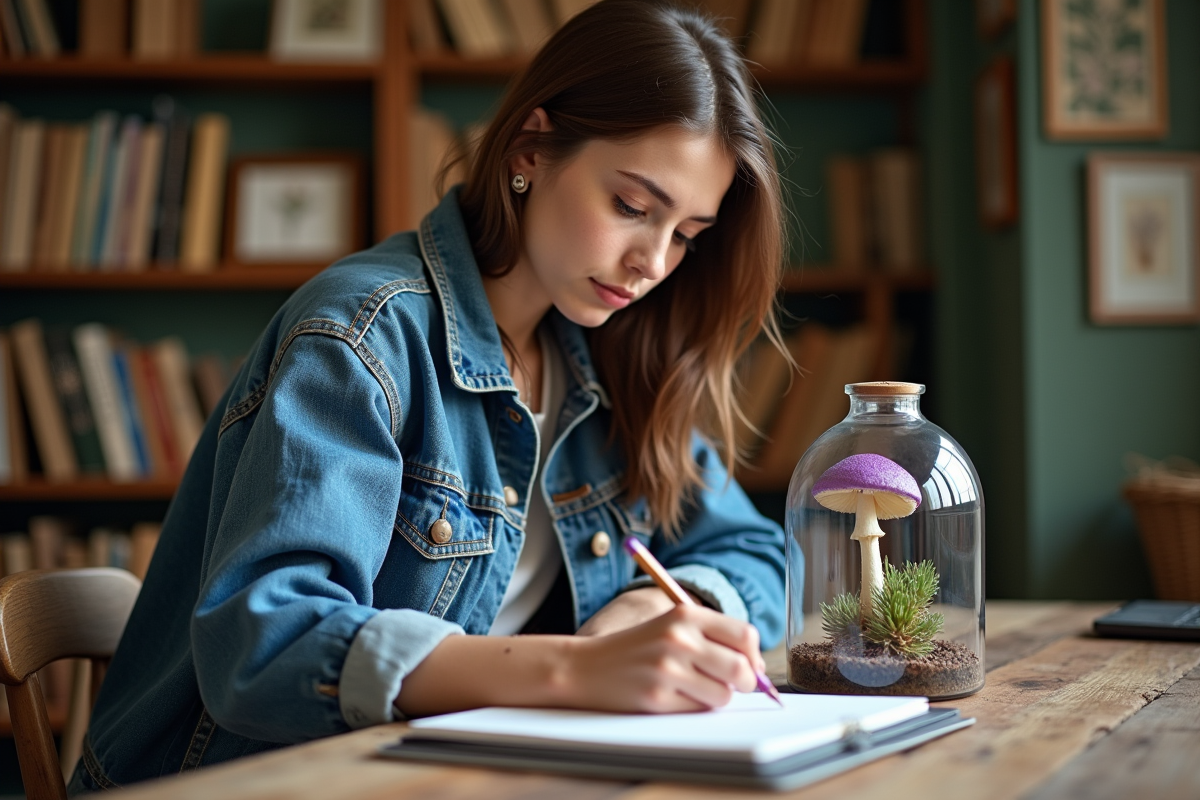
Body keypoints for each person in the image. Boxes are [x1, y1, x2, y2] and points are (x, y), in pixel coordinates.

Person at [69, 0, 790, 791]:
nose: (652, 260)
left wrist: (646, 615)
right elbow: (266, 640)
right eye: (630, 206)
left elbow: (750, 548)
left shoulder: (612, 356)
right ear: (530, 151)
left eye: (686, 233)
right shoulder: (361, 335)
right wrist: (573, 671)